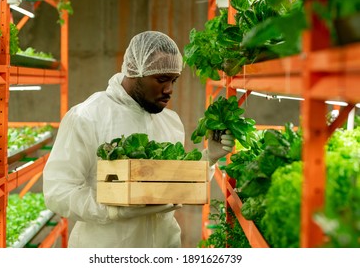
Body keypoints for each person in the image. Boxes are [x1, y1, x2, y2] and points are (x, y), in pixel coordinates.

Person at [43, 31, 235, 248]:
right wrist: (111, 209)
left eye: (174, 80)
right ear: (135, 71)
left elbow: (172, 183)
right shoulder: (87, 116)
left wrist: (209, 158)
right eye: (161, 79)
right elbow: (58, 191)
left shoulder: (170, 122)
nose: (169, 89)